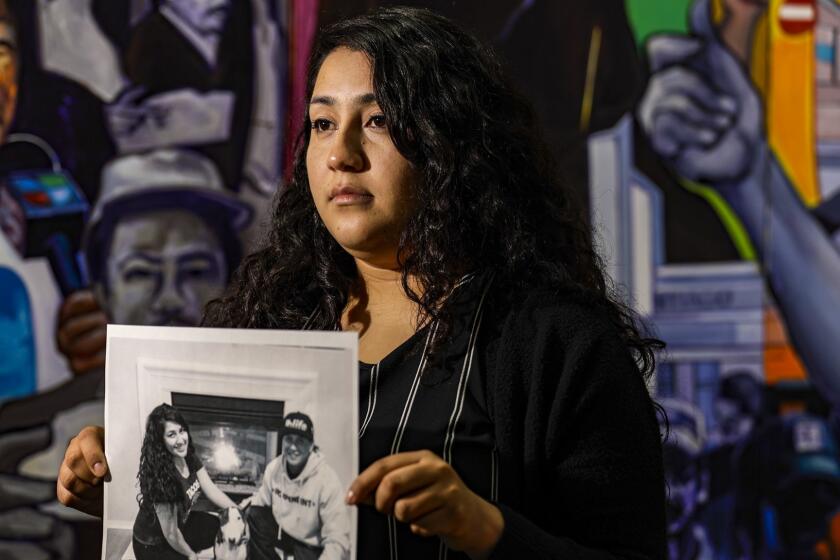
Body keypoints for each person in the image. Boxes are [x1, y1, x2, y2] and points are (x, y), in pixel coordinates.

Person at [58, 7, 667, 558]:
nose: (340, 154)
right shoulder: (269, 321)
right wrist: (123, 487)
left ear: (453, 143)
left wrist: (484, 528)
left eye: (376, 120)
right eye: (323, 124)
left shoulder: (554, 343)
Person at [133, 403, 240, 560]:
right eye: (171, 435)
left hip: (181, 524)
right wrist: (191, 555)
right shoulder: (162, 478)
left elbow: (211, 489)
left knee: (220, 525)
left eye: (181, 431)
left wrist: (237, 511)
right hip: (153, 545)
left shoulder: (187, 456)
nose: (181, 440)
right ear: (160, 440)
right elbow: (170, 534)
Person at [245, 412, 351, 560]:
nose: (293, 447)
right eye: (289, 439)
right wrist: (239, 513)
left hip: (310, 545)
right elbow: (260, 504)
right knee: (254, 513)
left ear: (311, 445)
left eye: (300, 441)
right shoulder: (274, 468)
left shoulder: (327, 480)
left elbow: (338, 539)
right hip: (283, 534)